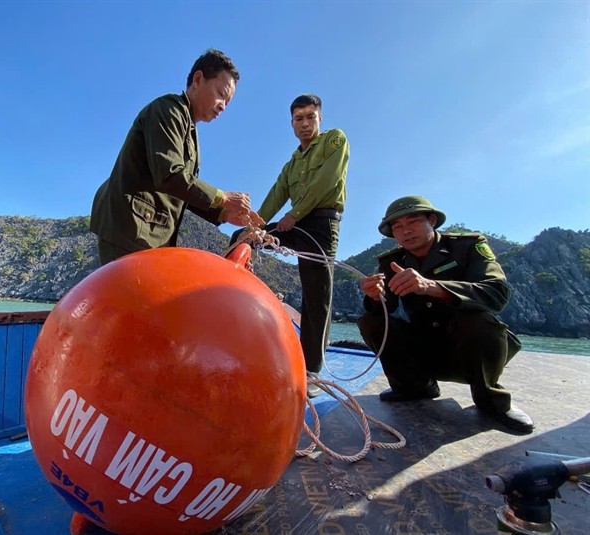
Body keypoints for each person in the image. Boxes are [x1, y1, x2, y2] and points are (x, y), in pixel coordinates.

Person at [357, 195, 534, 433]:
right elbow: (386, 311)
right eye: (397, 227)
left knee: (474, 318)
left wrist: (433, 287)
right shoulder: (392, 262)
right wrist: (375, 297)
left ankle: (492, 402)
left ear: (432, 220)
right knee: (372, 321)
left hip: (471, 350)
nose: (406, 231)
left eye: (413, 222)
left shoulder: (468, 247)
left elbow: (496, 293)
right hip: (426, 349)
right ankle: (414, 387)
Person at [90, 49, 263, 265]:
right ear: (198, 79)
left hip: (147, 231)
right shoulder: (168, 110)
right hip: (129, 226)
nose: (223, 106)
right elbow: (169, 175)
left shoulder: (189, 127)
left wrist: (223, 214)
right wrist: (223, 197)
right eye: (220, 94)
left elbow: (181, 191)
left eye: (228, 102)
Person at [232, 94, 349, 398]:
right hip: (293, 222)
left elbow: (326, 180)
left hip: (321, 223)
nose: (305, 124)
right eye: (299, 119)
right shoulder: (292, 163)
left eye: (311, 117)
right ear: (292, 123)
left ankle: (312, 370)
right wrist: (254, 227)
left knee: (316, 292)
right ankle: (232, 314)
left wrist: (295, 214)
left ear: (320, 119)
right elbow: (275, 195)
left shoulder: (334, 141)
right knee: (240, 240)